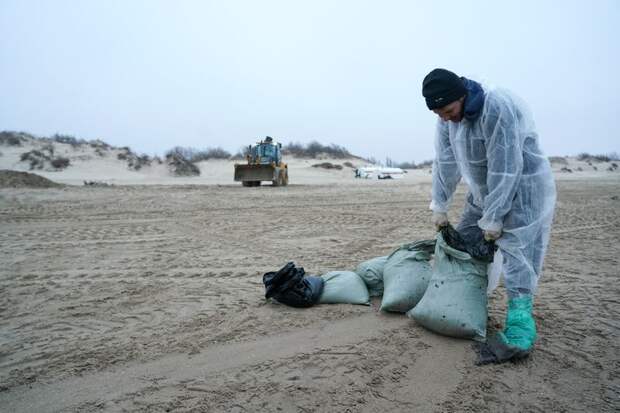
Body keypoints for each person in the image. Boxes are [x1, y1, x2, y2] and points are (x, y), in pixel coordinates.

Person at [422, 68, 556, 360]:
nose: (446, 118)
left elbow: (505, 168)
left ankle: (520, 324)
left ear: (461, 96)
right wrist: (440, 205)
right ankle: (461, 303)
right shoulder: (447, 119)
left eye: (448, 110)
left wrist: (495, 218)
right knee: (465, 240)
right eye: (439, 114)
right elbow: (445, 161)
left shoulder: (496, 108)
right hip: (482, 192)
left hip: (523, 189)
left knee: (516, 252)